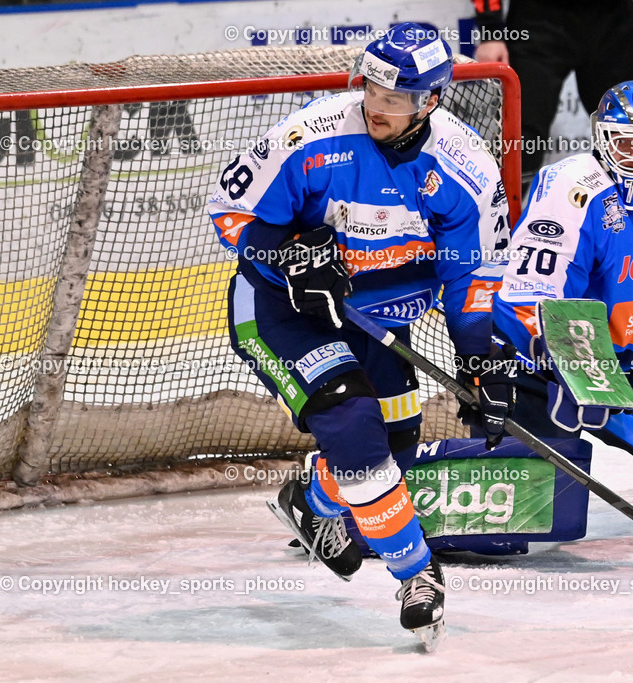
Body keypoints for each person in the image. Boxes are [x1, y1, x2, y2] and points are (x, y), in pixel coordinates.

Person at [208, 23, 510, 642]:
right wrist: (291, 253)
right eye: (371, 89)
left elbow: (471, 274)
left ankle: (314, 503)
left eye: (396, 99)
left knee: (392, 447)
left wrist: (479, 361)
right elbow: (230, 212)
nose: (377, 106)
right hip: (283, 312)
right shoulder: (310, 137)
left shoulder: (465, 168)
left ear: (431, 100)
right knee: (352, 424)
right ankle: (417, 574)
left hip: (380, 320)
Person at [492, 80, 633, 511]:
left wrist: (619, 370)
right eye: (623, 141)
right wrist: (566, 364)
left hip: (621, 364)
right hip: (541, 364)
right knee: (529, 508)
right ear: (600, 136)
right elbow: (533, 290)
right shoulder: (573, 186)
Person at [473, 0, 633, 182]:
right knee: (521, 140)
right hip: (537, 22)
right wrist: (491, 30)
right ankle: (501, 210)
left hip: (612, 20)